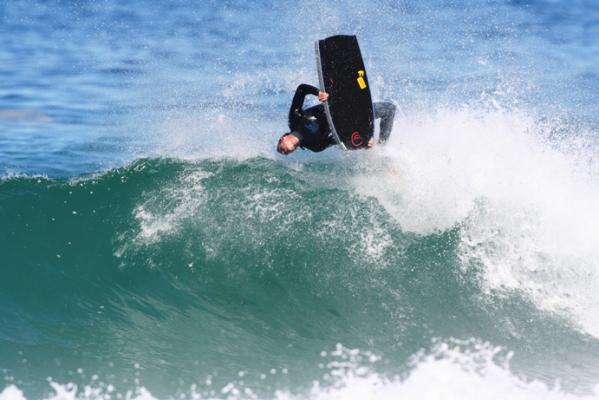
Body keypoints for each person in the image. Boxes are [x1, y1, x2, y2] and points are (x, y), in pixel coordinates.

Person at [277, 83, 396, 155]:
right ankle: (382, 147)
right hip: (351, 117)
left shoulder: (294, 119)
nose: (284, 153)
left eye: (280, 148)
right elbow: (340, 141)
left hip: (339, 102)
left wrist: (318, 93)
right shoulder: (315, 146)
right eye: (285, 154)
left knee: (390, 109)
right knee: (389, 109)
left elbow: (301, 89)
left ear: (283, 138)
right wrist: (364, 143)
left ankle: (382, 144)